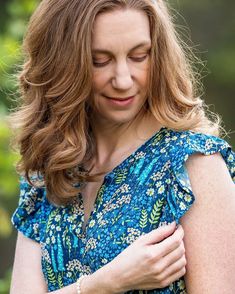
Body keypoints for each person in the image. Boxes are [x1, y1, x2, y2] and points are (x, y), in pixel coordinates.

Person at [9, 0, 235, 293]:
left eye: (139, 56)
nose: (124, 80)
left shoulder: (195, 165)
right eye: (100, 60)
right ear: (62, 65)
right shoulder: (49, 170)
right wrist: (108, 282)